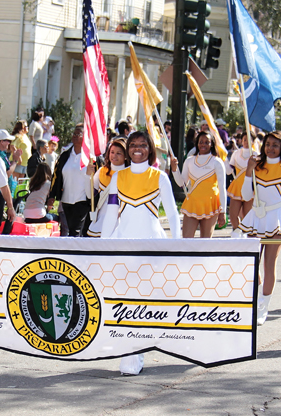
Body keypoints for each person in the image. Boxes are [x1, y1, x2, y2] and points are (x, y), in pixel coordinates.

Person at [98, 130, 181, 376]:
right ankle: (130, 353)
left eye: (142, 145)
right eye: (133, 144)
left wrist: (178, 247)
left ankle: (137, 351)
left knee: (144, 301)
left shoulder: (160, 177)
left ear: (150, 149)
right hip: (124, 245)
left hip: (151, 246)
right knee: (125, 300)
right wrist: (103, 246)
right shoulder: (118, 177)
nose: (137, 149)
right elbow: (111, 214)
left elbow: (173, 214)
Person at [239, 131, 281, 325]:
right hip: (257, 218)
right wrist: (249, 171)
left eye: (275, 145)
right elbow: (246, 195)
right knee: (253, 262)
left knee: (269, 264)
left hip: (277, 219)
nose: (271, 148)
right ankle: (258, 297)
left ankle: (264, 306)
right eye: (268, 144)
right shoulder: (256, 166)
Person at [176, 131, 227, 238]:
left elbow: (222, 188)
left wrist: (223, 211)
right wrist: (174, 169)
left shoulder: (217, 162)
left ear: (212, 144)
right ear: (197, 143)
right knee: (186, 239)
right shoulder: (189, 161)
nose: (203, 144)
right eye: (201, 142)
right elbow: (182, 183)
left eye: (207, 142)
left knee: (205, 241)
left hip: (210, 204)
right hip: (192, 203)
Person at [50, 124, 90, 237]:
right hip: (66, 200)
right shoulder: (65, 156)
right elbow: (56, 176)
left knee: (75, 231)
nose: (75, 136)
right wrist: (52, 195)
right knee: (70, 229)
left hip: (83, 200)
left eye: (79, 134)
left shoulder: (90, 157)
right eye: (74, 134)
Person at [86, 138, 128, 237]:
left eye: (119, 153)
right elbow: (89, 195)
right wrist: (88, 176)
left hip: (123, 222)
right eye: (112, 152)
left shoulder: (130, 173)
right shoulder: (102, 171)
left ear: (126, 156)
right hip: (102, 221)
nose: (114, 156)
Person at [227, 133, 254, 238]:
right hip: (237, 187)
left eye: (249, 140)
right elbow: (229, 171)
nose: (246, 142)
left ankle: (246, 236)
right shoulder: (236, 153)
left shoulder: (256, 155)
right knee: (233, 215)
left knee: (247, 216)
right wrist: (224, 160)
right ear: (241, 141)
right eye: (244, 140)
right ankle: (237, 233)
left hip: (250, 188)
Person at [10, 120, 32, 190]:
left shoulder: (25, 136)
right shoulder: (18, 136)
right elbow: (12, 146)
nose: (27, 127)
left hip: (25, 163)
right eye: (26, 126)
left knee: (21, 182)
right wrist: (18, 157)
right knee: (15, 181)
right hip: (18, 162)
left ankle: (18, 194)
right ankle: (12, 194)